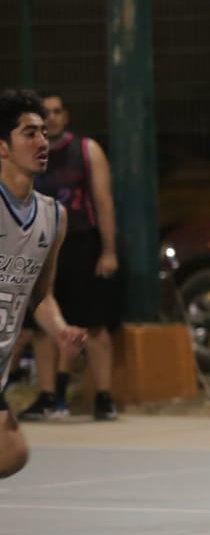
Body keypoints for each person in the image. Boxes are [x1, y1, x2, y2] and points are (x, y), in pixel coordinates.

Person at [19, 92, 121, 422]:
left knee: (92, 323)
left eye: (56, 111)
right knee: (40, 323)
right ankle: (48, 396)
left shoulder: (87, 151)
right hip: (40, 244)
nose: (51, 118)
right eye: (44, 114)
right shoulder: (27, 154)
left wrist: (108, 250)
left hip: (80, 243)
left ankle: (104, 397)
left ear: (67, 115)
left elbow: (103, 202)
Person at [0, 90, 88, 476]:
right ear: (2, 147)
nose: (42, 141)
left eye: (44, 133)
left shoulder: (54, 217)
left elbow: (40, 295)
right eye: (29, 133)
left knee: (12, 453)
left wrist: (61, 331)